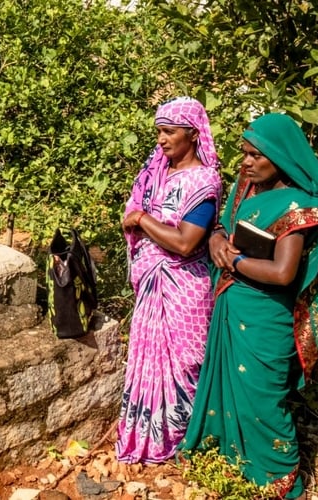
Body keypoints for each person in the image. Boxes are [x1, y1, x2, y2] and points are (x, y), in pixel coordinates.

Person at [178, 113, 318, 499]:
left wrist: (232, 262)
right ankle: (233, 465)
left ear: (280, 158)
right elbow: (225, 225)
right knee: (227, 386)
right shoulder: (246, 188)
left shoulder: (297, 207)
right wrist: (217, 239)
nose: (246, 163)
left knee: (263, 401)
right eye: (245, 154)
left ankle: (281, 480)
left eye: (256, 156)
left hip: (267, 315)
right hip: (233, 305)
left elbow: (284, 273)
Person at [116, 96, 223, 463]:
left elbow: (185, 242)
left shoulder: (203, 181)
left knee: (187, 361)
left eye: (168, 132)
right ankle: (150, 439)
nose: (161, 140)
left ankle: (186, 440)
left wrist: (142, 220)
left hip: (185, 286)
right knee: (150, 357)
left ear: (192, 135)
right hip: (152, 283)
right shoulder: (157, 174)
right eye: (158, 132)